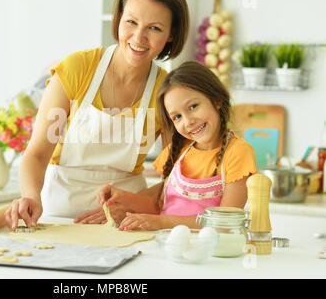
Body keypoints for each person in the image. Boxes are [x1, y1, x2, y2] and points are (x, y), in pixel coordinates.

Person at [4, 0, 190, 230]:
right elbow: (37, 154)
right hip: (58, 214)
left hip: (127, 220)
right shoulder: (76, 69)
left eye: (154, 28)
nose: (139, 37)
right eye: (131, 22)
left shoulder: (167, 91)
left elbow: (177, 178)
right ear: (119, 19)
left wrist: (132, 204)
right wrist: (30, 196)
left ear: (171, 35)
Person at [97, 61, 257, 230]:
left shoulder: (238, 152)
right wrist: (123, 199)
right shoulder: (179, 150)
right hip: (167, 244)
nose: (188, 121)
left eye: (193, 106)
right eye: (177, 117)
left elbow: (225, 222)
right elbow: (162, 205)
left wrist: (160, 222)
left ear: (216, 100)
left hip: (208, 251)